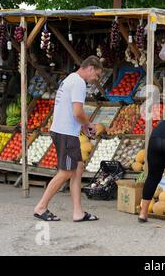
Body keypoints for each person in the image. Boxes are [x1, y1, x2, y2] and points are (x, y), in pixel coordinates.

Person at [34, 56, 103, 222]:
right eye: (97, 75)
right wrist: (89, 125)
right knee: (66, 172)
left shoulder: (70, 79)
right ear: (91, 68)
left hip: (63, 131)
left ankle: (78, 212)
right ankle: (41, 206)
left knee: (78, 168)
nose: (96, 79)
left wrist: (83, 127)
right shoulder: (79, 82)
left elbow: (70, 111)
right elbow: (78, 112)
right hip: (65, 133)